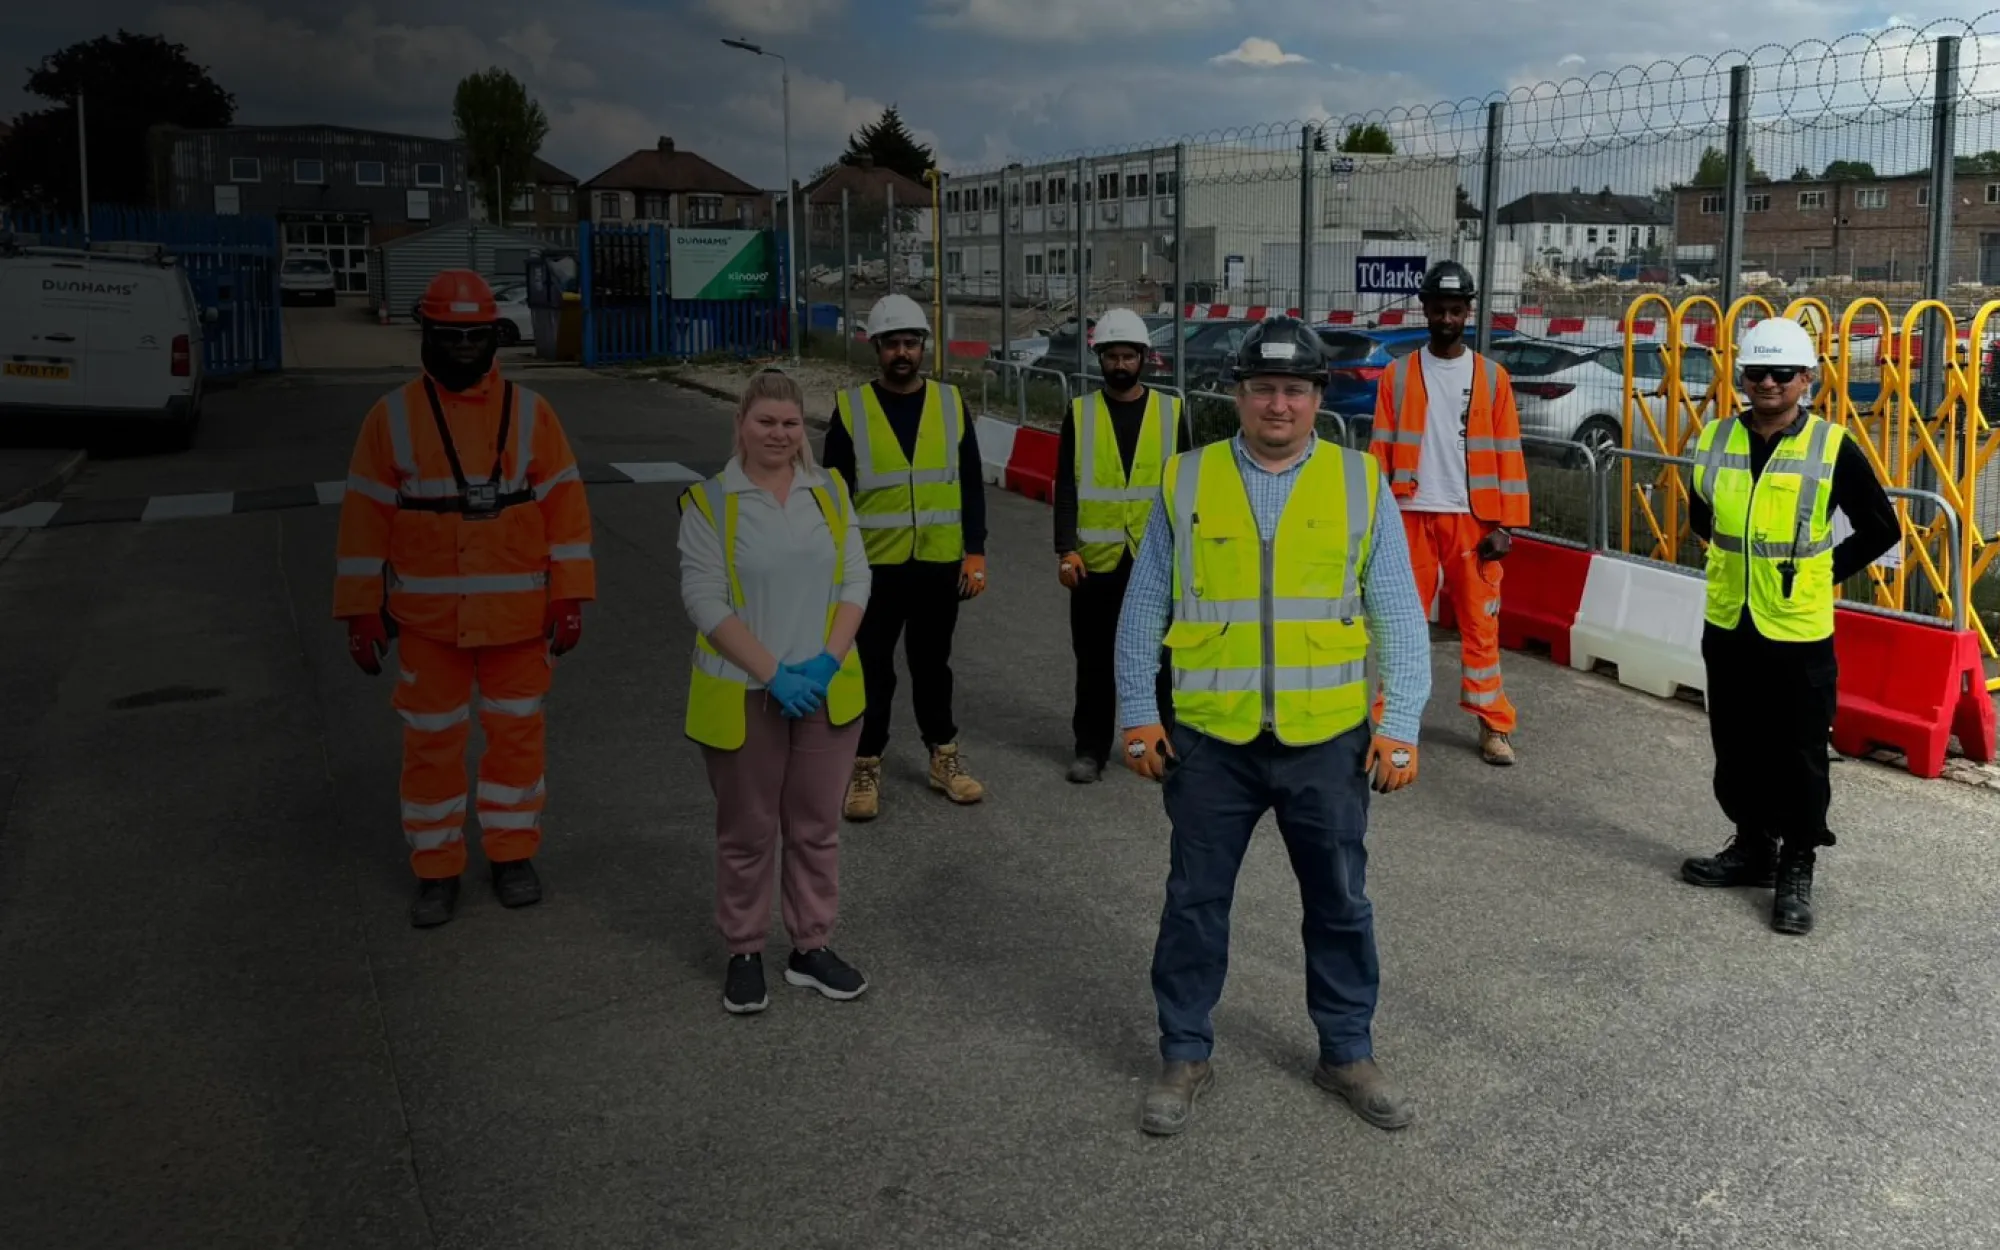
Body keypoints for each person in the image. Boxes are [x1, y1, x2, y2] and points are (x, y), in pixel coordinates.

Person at [1115, 316, 1433, 1136]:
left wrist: (1399, 723)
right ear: (1239, 395)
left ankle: (1346, 1051)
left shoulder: (1361, 483)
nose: (1279, 404)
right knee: (1193, 903)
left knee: (1339, 903)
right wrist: (1137, 711)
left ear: (1318, 397)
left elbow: (1398, 609)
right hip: (1210, 742)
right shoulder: (1184, 481)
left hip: (1326, 741)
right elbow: (1145, 601)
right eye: (1263, 388)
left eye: (1295, 389)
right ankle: (1184, 1053)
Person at [333, 269, 595, 928]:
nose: (459, 348)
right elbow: (365, 519)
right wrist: (361, 608)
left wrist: (570, 597)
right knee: (431, 744)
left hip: (517, 621)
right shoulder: (389, 419)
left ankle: (511, 855)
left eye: (472, 336)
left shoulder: (534, 414)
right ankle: (436, 867)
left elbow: (566, 508)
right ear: (426, 333)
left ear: (491, 339)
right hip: (428, 625)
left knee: (515, 741)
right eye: (447, 336)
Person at [1679, 316, 1898, 936]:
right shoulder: (1716, 438)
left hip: (1798, 630)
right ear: (1741, 377)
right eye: (1757, 372)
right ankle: (1753, 847)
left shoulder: (1832, 447)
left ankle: (1796, 863)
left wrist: (1820, 571)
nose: (1768, 383)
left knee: (1798, 754)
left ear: (1807, 379)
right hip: (1729, 619)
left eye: (1782, 373)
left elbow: (1882, 528)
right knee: (1737, 743)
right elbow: (1704, 516)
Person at [678, 368, 873, 1012]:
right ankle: (743, 950)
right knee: (748, 830)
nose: (779, 433)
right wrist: (773, 673)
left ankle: (811, 946)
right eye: (766, 421)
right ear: (740, 424)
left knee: (816, 827)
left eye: (790, 423)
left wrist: (822, 665)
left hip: (824, 690)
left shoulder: (830, 492)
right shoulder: (711, 501)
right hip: (746, 694)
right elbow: (703, 599)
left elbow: (855, 583)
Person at [820, 293, 988, 820]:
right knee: (872, 669)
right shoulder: (851, 409)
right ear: (876, 348)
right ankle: (865, 764)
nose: (902, 352)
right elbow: (833, 495)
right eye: (892, 342)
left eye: (910, 342)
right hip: (873, 568)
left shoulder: (950, 402)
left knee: (932, 665)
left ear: (923, 347)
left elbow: (970, 483)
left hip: (938, 562)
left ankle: (944, 757)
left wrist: (976, 551)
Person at [1368, 259, 1531, 766]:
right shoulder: (1395, 377)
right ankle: (1388, 724)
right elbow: (1380, 449)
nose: (1446, 319)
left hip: (1472, 521)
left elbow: (1508, 450)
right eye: (1438, 309)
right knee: (1400, 626)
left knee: (1480, 628)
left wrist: (1506, 525)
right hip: (1408, 516)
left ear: (1468, 311)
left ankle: (1493, 727)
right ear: (1425, 309)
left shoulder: (1491, 378)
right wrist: (1376, 520)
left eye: (1456, 310)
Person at [1053, 307, 1190, 783]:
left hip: (1155, 560)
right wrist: (1065, 548)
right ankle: (1090, 749)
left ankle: (1161, 743)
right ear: (1099, 359)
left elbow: (1188, 487)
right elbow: (1066, 486)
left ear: (1144, 358)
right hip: (1096, 561)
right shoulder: (1080, 412)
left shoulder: (1172, 411)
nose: (1119, 363)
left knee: (1160, 659)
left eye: (1128, 354)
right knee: (1093, 661)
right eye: (1111, 355)